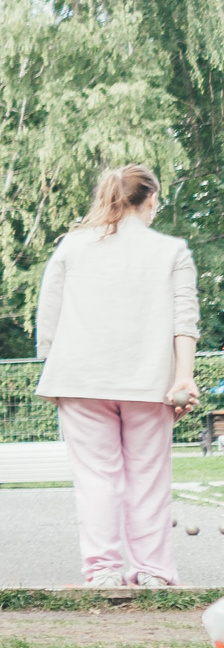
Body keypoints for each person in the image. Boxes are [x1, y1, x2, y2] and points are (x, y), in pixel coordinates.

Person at [34, 164, 199, 588]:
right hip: (148, 382)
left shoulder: (71, 246)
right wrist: (184, 377)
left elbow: (47, 316)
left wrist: (51, 372)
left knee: (96, 479)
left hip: (80, 380)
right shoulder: (172, 250)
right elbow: (185, 321)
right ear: (149, 200)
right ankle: (153, 571)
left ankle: (103, 570)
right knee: (148, 477)